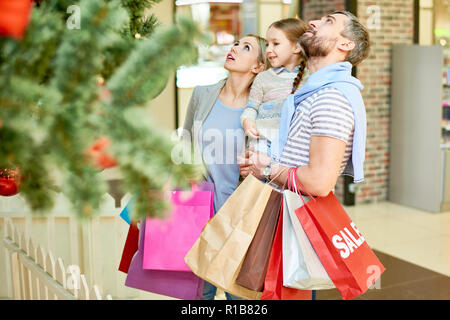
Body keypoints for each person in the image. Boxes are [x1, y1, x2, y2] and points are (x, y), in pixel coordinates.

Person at [239, 11, 371, 199]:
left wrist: (267, 169)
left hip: (298, 218)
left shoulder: (331, 98)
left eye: (329, 21)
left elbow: (319, 182)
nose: (313, 22)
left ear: (345, 44)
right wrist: (259, 162)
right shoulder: (314, 93)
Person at [181, 34, 268, 300]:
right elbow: (184, 145)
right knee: (199, 296)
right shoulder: (202, 94)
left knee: (238, 298)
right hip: (200, 212)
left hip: (239, 218)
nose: (234, 48)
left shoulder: (263, 111)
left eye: (246, 47)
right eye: (235, 44)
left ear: (258, 66)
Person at [240, 18, 308, 157]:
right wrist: (247, 121)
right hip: (263, 142)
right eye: (267, 44)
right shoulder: (263, 78)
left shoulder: (310, 78)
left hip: (294, 146)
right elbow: (252, 107)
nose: (269, 50)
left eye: (275, 44)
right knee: (258, 173)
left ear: (296, 47)